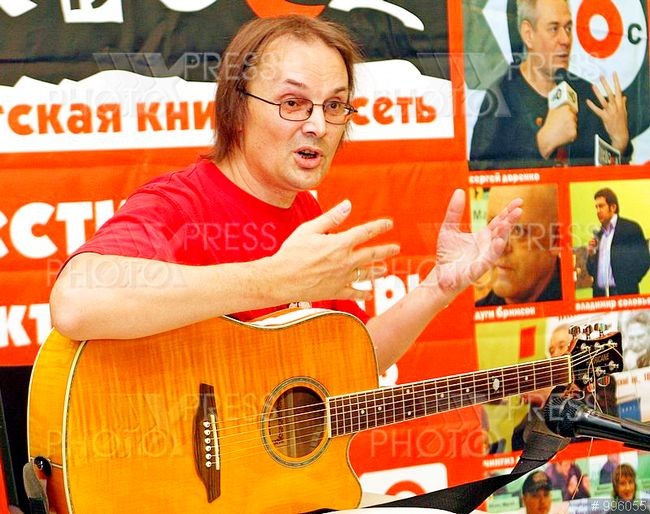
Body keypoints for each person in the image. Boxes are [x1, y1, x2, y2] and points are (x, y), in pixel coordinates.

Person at [49, 15, 522, 381]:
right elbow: (74, 302)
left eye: (334, 105)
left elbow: (355, 360)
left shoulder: (304, 214)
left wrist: (438, 288)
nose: (318, 125)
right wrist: (274, 280)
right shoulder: (181, 203)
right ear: (236, 110)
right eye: (293, 103)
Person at [469, 0, 631, 170]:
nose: (565, 40)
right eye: (554, 29)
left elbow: (606, 182)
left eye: (568, 28)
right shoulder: (501, 99)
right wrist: (541, 145)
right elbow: (480, 177)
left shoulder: (587, 96)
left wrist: (619, 144)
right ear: (528, 34)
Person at [476, 184, 560, 306]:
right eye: (494, 225)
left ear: (556, 240)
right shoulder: (473, 313)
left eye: (518, 230)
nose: (499, 247)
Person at [586, 188, 650, 298]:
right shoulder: (599, 235)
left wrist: (630, 281)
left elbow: (644, 259)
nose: (598, 211)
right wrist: (591, 255)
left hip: (622, 294)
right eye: (596, 207)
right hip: (600, 296)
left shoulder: (630, 228)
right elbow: (592, 271)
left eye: (601, 206)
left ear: (613, 207)